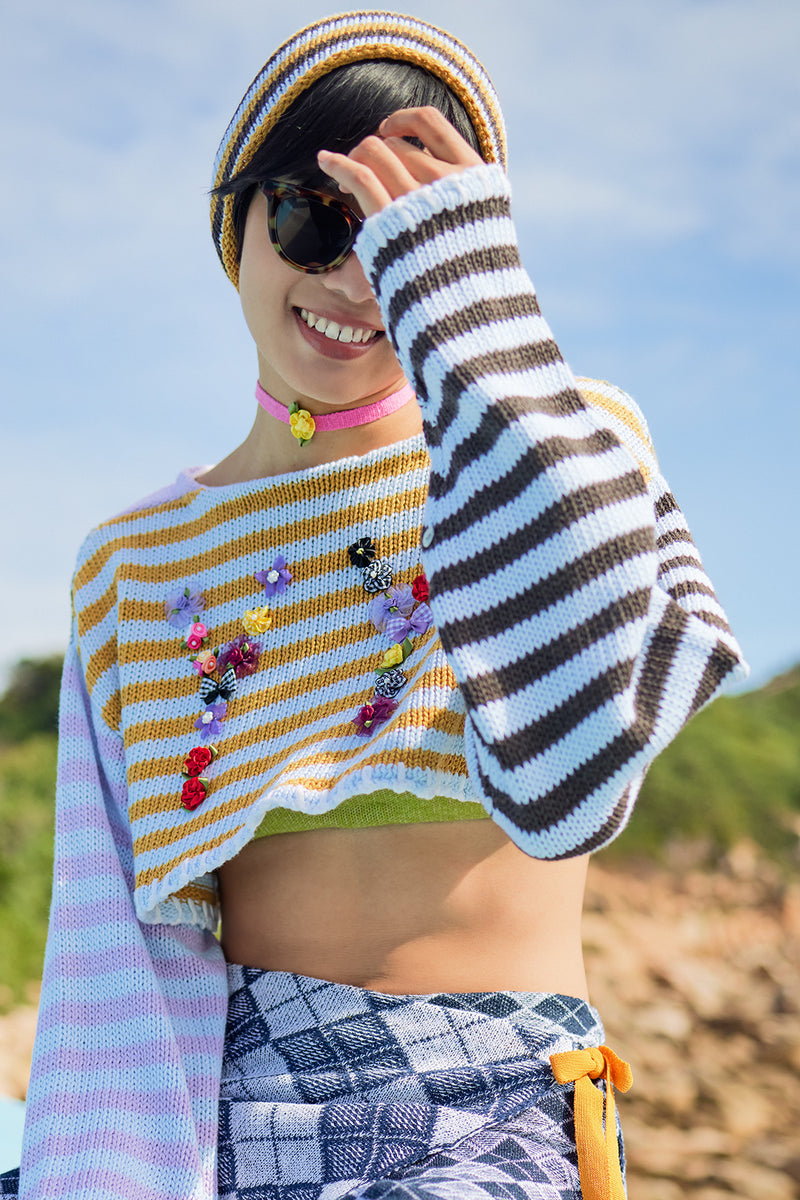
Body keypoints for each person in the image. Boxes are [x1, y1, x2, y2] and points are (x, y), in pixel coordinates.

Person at [4, 11, 747, 1200]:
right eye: (312, 216)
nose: (354, 277)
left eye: (402, 233)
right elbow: (124, 963)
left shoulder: (571, 446)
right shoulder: (133, 565)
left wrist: (461, 308)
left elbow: (572, 781)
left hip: (492, 1119)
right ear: (233, 222)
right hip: (231, 1121)